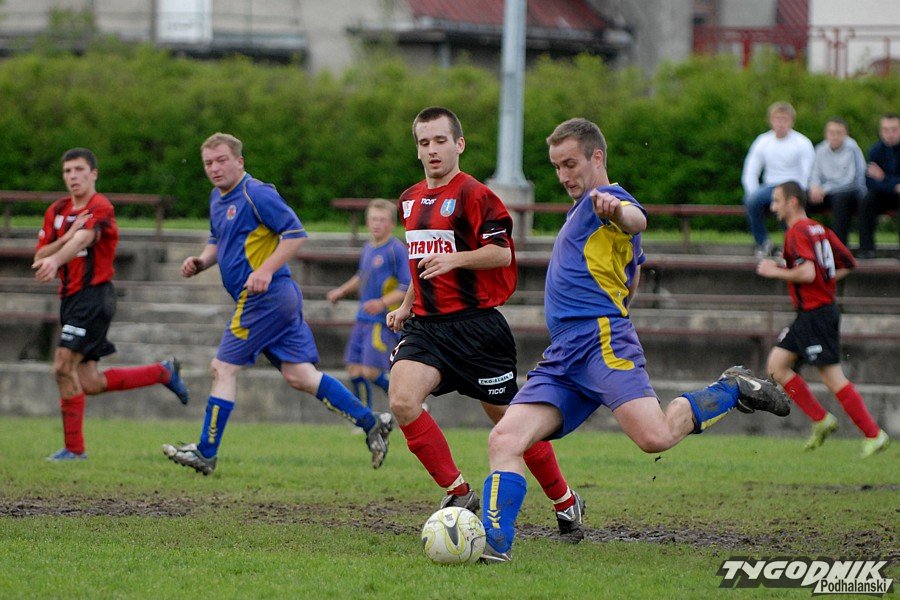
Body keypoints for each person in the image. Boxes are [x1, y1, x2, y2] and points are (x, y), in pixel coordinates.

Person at [477, 118, 792, 563]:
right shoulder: (581, 210)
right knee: (504, 439)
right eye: (557, 167)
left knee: (655, 437)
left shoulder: (608, 199)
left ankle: (731, 388)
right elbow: (634, 267)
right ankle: (494, 546)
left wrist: (616, 211)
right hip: (563, 354)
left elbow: (636, 219)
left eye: (570, 164)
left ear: (596, 157)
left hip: (600, 342)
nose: (563, 175)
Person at [386, 107, 586, 542]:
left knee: (511, 427)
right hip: (427, 328)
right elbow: (421, 264)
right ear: (417, 149)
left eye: (441, 141)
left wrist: (456, 259)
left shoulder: (476, 195)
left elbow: (502, 253)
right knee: (402, 400)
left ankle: (565, 499)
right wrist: (405, 306)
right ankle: (459, 492)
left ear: (459, 144)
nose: (433, 150)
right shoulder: (409, 199)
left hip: (477, 330)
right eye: (424, 142)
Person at [162, 133, 393, 475]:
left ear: (239, 161)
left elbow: (295, 234)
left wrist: (266, 270)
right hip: (275, 300)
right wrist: (201, 261)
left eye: (222, 160)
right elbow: (217, 239)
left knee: (222, 368)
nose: (215, 168)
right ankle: (371, 422)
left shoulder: (256, 193)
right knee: (300, 375)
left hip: (264, 299)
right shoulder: (217, 198)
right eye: (208, 163)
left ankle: (206, 452)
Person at [33, 147, 190, 461]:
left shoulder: (100, 206)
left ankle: (74, 450)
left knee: (62, 366)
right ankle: (161, 372)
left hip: (93, 297)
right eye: (67, 171)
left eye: (79, 170)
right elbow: (40, 255)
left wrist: (57, 258)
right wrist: (62, 241)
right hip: (70, 299)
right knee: (90, 382)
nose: (73, 176)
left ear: (93, 174)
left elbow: (83, 239)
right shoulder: (57, 210)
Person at [757, 181, 890, 457]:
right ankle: (821, 419)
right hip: (811, 313)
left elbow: (807, 273)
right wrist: (822, 281)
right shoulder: (819, 229)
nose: (773, 207)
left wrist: (774, 271)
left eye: (777, 200)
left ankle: (874, 434)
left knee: (832, 377)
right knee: (776, 366)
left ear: (793, 202)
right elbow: (848, 263)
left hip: (817, 314)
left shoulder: (797, 231)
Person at [326, 199, 410, 409]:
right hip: (362, 318)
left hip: (380, 321)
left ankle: (410, 399)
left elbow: (407, 286)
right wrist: (341, 291)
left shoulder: (396, 250)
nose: (377, 224)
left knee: (371, 371)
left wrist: (382, 303)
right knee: (354, 370)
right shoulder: (368, 248)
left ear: (392, 224)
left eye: (382, 220)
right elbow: (361, 276)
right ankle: (366, 416)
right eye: (373, 219)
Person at [741, 101, 815, 257]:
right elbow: (750, 170)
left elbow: (808, 172)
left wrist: (799, 192)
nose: (781, 123)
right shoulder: (762, 141)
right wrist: (752, 191)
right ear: (771, 120)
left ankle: (792, 245)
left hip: (793, 186)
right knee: (752, 200)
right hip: (770, 186)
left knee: (790, 204)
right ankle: (763, 243)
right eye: (777, 119)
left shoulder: (802, 142)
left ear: (791, 121)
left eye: (784, 119)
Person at [807, 117, 866, 246]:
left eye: (839, 133)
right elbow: (814, 173)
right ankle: (805, 243)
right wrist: (814, 187)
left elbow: (851, 180)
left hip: (849, 191)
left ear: (845, 134)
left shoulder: (853, 149)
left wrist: (824, 189)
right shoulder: (820, 149)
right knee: (801, 198)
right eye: (831, 132)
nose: (834, 136)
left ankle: (839, 247)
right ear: (826, 134)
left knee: (840, 200)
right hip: (824, 193)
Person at [858, 113, 900, 258]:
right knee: (866, 201)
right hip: (882, 195)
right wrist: (894, 184)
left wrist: (883, 178)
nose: (890, 134)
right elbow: (870, 182)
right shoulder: (875, 151)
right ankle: (866, 250)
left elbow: (879, 179)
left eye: (894, 129)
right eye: (886, 130)